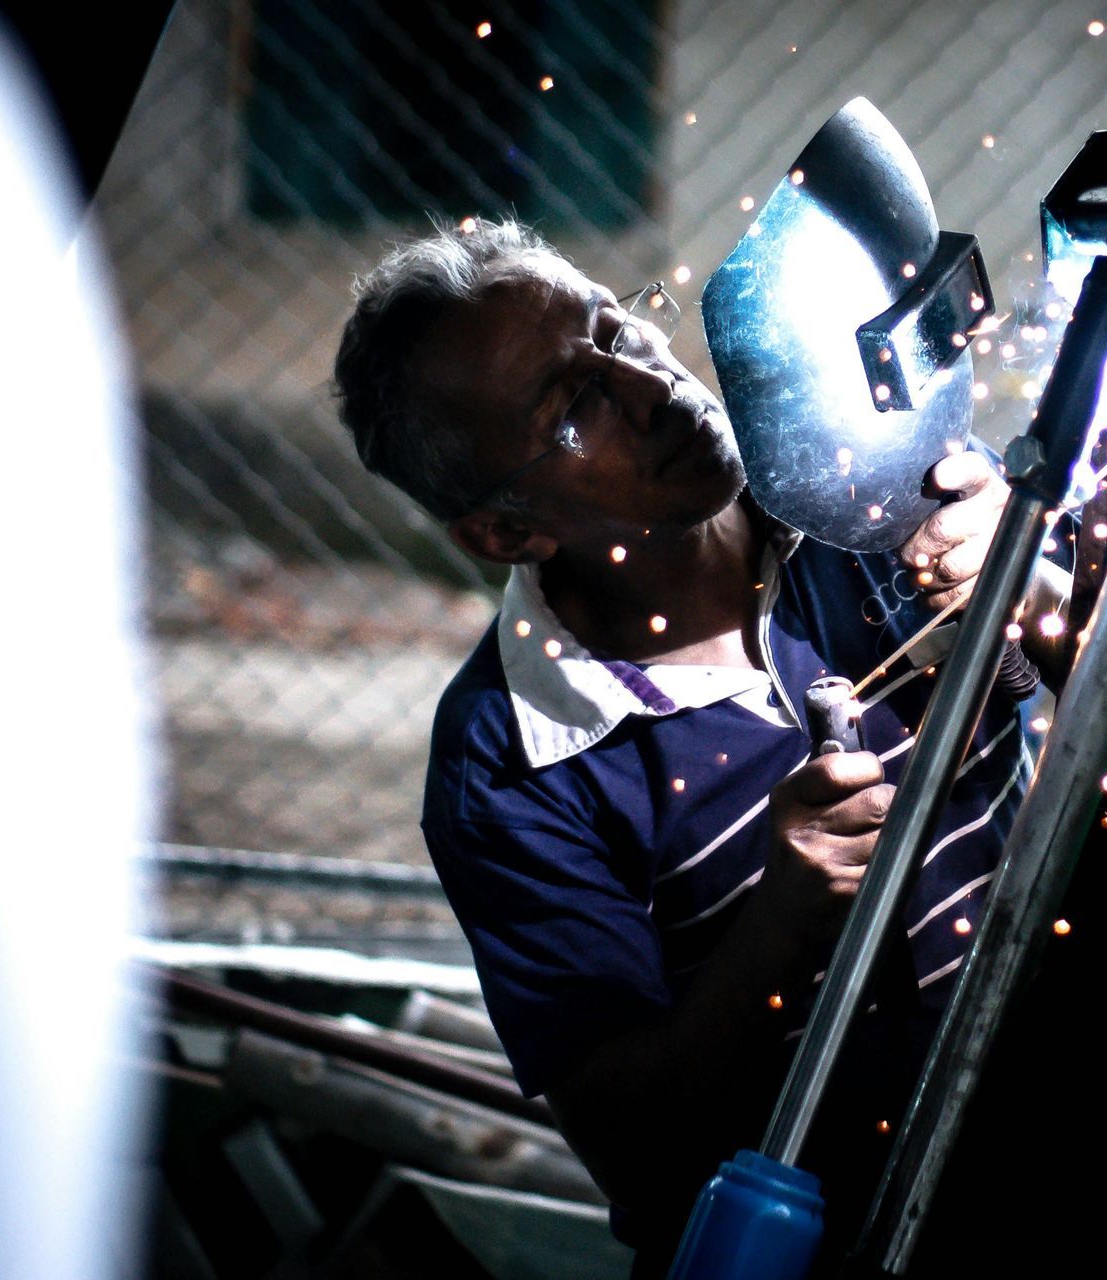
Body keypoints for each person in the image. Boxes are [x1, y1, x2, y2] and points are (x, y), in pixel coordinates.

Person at [332, 218, 1068, 1271]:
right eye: (575, 405)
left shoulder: (864, 476)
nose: (653, 384)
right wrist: (784, 917)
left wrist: (1036, 586)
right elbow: (642, 1150)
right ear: (504, 530)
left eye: (617, 326)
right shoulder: (510, 761)